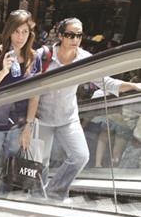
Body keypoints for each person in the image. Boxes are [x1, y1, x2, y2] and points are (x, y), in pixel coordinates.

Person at [33, 17, 141, 200]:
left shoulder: (84, 59)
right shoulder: (44, 56)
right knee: (41, 162)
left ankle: (54, 191)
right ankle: (38, 198)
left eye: (79, 35)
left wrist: (133, 86)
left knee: (80, 156)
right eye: (70, 35)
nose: (75, 39)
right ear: (60, 35)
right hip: (42, 117)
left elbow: (105, 82)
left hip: (68, 117)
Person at [0, 10, 41, 194]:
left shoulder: (33, 58)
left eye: (25, 32)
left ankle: (2, 198)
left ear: (30, 33)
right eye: (16, 31)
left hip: (18, 125)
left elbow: (34, 95)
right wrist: (3, 71)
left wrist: (28, 126)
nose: (20, 37)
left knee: (12, 166)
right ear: (9, 31)